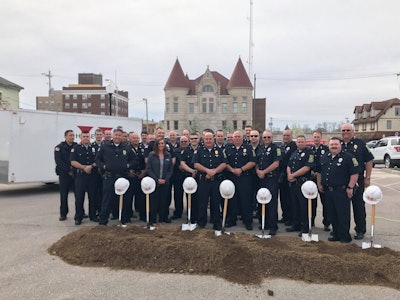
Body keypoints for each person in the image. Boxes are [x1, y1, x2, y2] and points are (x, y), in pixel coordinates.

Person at [317, 137, 360, 243]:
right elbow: (319, 172)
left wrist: (350, 187)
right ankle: (336, 234)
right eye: (332, 145)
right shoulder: (324, 157)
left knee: (342, 215)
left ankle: (345, 236)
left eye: (336, 144)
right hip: (328, 191)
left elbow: (355, 173)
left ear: (340, 145)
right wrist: (319, 184)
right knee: (332, 214)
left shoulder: (348, 157)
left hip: (341, 191)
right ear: (329, 146)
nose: (334, 146)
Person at [95, 128, 138, 225]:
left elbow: (135, 160)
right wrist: (103, 166)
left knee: (124, 200)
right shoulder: (105, 146)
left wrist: (128, 166)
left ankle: (124, 220)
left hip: (123, 177)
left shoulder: (127, 147)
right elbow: (97, 160)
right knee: (107, 200)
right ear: (112, 135)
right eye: (116, 135)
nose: (117, 137)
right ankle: (103, 221)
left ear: (122, 136)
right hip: (109, 177)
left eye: (119, 135)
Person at [341, 123, 374, 240]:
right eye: (343, 130)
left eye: (348, 130)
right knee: (342, 207)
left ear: (353, 132)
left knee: (358, 206)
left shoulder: (360, 144)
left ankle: (360, 230)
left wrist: (368, 177)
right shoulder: (339, 144)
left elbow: (369, 161)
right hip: (342, 181)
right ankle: (342, 230)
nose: (346, 132)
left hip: (357, 180)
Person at [193, 132, 227, 230]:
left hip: (216, 180)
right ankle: (201, 222)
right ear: (203, 140)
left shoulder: (219, 150)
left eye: (210, 139)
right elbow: (195, 164)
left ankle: (216, 222)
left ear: (213, 139)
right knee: (202, 202)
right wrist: (207, 170)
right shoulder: (199, 150)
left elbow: (224, 163)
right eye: (206, 139)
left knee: (216, 202)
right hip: (203, 180)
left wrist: (215, 171)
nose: (208, 141)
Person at [224, 130, 256, 230]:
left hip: (245, 177)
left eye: (239, 137)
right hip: (231, 177)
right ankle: (231, 220)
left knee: (245, 200)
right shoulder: (227, 148)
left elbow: (253, 162)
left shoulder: (248, 147)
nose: (237, 138)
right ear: (232, 138)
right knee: (232, 199)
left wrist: (241, 169)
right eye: (235, 137)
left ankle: (248, 221)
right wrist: (232, 170)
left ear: (242, 138)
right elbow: (224, 162)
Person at [286, 135, 315, 236]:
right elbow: (289, 165)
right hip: (293, 183)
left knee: (304, 206)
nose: (300, 144)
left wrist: (293, 175)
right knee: (295, 205)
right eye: (298, 142)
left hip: (303, 183)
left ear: (305, 142)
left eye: (302, 142)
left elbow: (307, 168)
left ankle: (305, 227)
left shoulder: (309, 153)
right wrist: (289, 175)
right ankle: (296, 224)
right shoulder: (294, 153)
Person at [255, 130, 281, 235]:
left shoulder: (276, 148)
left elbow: (276, 163)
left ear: (272, 137)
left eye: (268, 137)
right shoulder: (260, 148)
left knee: (271, 202)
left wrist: (264, 172)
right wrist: (258, 171)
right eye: (264, 137)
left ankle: (273, 226)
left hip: (271, 179)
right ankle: (263, 223)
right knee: (261, 200)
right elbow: (256, 162)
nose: (266, 139)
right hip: (261, 178)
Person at [70, 131, 98, 225]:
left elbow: (98, 160)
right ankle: (78, 217)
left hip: (92, 176)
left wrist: (91, 166)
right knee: (79, 197)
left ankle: (93, 215)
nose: (86, 138)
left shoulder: (94, 148)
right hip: (80, 176)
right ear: (81, 138)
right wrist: (83, 167)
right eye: (84, 136)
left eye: (87, 136)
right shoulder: (76, 148)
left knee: (93, 197)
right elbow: (73, 162)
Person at [146, 138, 174, 225]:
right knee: (154, 202)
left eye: (163, 143)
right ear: (156, 145)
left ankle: (162, 219)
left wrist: (165, 179)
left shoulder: (168, 155)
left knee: (164, 201)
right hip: (154, 182)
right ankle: (153, 220)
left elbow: (170, 169)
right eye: (159, 143)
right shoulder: (151, 155)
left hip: (165, 182)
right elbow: (149, 168)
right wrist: (156, 179)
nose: (161, 145)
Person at [54, 129, 76, 221]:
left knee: (78, 195)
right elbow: (59, 162)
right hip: (64, 175)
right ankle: (63, 213)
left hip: (75, 174)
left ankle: (80, 212)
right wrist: (69, 170)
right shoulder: (59, 147)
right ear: (65, 136)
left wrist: (73, 169)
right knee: (64, 195)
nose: (72, 137)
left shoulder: (76, 146)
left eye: (73, 135)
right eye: (70, 135)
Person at [310, 129, 330, 231]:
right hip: (312, 179)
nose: (316, 139)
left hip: (322, 179)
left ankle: (326, 223)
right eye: (315, 137)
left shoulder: (326, 149)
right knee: (312, 202)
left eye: (318, 137)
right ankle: (311, 221)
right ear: (312, 138)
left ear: (321, 138)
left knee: (325, 202)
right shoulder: (310, 150)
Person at [278, 129, 297, 226]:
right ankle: (285, 216)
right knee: (283, 198)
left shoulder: (294, 146)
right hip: (282, 176)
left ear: (291, 136)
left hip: (290, 176)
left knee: (290, 199)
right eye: (284, 135)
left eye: (288, 135)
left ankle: (291, 218)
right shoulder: (281, 147)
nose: (285, 137)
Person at [180, 132, 200, 222]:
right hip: (189, 177)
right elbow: (182, 163)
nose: (193, 140)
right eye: (191, 139)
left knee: (200, 198)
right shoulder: (186, 150)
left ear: (198, 139)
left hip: (200, 177)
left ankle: (199, 217)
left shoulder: (202, 149)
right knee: (190, 198)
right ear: (189, 140)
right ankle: (191, 217)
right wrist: (192, 171)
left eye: (195, 138)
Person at [126, 132, 146, 222]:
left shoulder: (143, 148)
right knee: (129, 197)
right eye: (133, 138)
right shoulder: (126, 148)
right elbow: (123, 162)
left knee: (142, 197)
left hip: (141, 175)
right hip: (130, 176)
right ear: (130, 139)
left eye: (137, 138)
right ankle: (127, 216)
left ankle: (143, 216)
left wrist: (144, 171)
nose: (136, 139)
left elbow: (146, 161)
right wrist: (128, 171)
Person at [169, 135, 188, 220]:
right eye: (182, 142)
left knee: (190, 195)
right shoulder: (175, 151)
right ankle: (178, 212)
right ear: (179, 143)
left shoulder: (191, 151)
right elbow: (172, 161)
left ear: (188, 142)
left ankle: (189, 212)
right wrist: (178, 166)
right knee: (178, 196)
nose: (183, 143)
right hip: (177, 177)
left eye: (185, 141)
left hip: (188, 176)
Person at [92, 128, 104, 217]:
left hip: (104, 172)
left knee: (103, 193)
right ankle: (96, 210)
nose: (99, 136)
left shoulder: (106, 145)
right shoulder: (91, 146)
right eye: (97, 134)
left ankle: (102, 210)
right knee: (95, 194)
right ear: (95, 135)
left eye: (100, 134)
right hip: (94, 173)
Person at [249, 129, 261, 218]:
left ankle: (259, 212)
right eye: (252, 136)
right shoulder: (246, 148)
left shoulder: (262, 148)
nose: (253, 138)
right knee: (249, 194)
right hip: (248, 175)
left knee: (259, 193)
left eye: (256, 136)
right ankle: (251, 211)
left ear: (259, 137)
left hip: (260, 175)